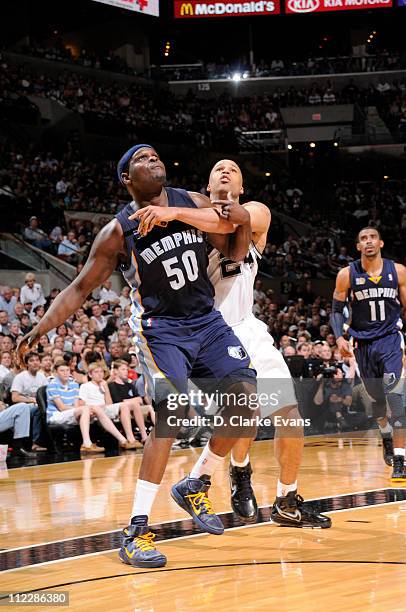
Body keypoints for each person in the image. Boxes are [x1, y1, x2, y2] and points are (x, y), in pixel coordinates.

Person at [18, 143, 257, 569]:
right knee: (173, 416)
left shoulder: (189, 200)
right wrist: (39, 328)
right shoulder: (117, 231)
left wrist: (177, 215)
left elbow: (239, 227)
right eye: (142, 160)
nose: (154, 161)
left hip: (206, 320)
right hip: (162, 331)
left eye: (156, 156)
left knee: (246, 402)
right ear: (126, 179)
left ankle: (194, 482)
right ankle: (135, 530)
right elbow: (79, 288)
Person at [203, 159, 330, 527]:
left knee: (289, 416)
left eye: (234, 170)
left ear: (241, 187)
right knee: (246, 418)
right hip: (211, 336)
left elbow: (237, 220)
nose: (225, 171)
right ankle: (240, 470)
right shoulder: (192, 216)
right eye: (218, 169)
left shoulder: (256, 212)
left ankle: (286, 500)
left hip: (248, 328)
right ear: (207, 184)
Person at [331, 226, 406, 481]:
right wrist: (340, 337)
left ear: (381, 243)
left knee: (395, 397)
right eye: (363, 238)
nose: (369, 241)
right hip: (363, 344)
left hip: (390, 341)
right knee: (377, 402)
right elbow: (335, 309)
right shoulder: (347, 274)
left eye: (372, 237)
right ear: (358, 246)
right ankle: (385, 434)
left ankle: (400, 459)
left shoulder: (398, 271)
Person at [79, 363, 142, 450]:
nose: (99, 374)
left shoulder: (104, 385)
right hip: (94, 409)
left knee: (124, 406)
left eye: (101, 372)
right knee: (116, 406)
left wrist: (106, 389)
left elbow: (109, 403)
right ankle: (123, 440)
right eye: (96, 372)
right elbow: (82, 404)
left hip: (106, 408)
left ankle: (131, 438)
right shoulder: (85, 386)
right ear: (90, 374)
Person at [46, 360, 105, 453]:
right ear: (56, 372)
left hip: (71, 413)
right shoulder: (52, 385)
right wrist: (80, 410)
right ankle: (87, 444)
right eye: (62, 371)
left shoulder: (74, 384)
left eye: (67, 370)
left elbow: (76, 405)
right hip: (56, 415)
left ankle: (123, 440)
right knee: (86, 408)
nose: (65, 373)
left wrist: (81, 410)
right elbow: (61, 407)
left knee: (95, 409)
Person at [10, 352, 47, 452]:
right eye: (31, 361)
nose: (35, 363)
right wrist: (32, 400)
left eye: (37, 360)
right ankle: (36, 443)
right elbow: (15, 398)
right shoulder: (20, 377)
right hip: (23, 407)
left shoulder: (42, 376)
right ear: (26, 364)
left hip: (38, 405)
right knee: (39, 409)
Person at [109, 359, 152, 444]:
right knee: (133, 404)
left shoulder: (130, 385)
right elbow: (118, 401)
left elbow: (140, 399)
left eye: (127, 369)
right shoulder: (112, 386)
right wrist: (133, 401)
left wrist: (131, 401)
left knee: (152, 407)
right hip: (121, 409)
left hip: (136, 407)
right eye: (123, 369)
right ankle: (136, 437)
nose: (126, 372)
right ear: (116, 371)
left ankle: (156, 436)